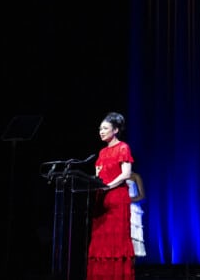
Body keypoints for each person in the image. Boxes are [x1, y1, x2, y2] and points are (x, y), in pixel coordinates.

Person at [87, 112, 135, 280]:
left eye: (105, 128)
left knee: (116, 240)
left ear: (115, 130)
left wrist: (108, 186)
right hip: (101, 200)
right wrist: (96, 184)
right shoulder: (102, 152)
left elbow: (126, 174)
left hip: (116, 199)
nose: (101, 131)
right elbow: (98, 175)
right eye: (100, 129)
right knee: (101, 241)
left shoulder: (123, 147)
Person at [127, 171, 146, 259]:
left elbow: (142, 196)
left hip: (132, 209)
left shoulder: (135, 176)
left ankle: (131, 265)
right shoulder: (117, 176)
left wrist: (127, 199)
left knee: (132, 238)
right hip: (120, 207)